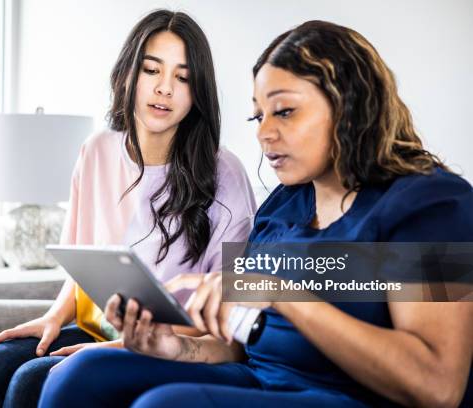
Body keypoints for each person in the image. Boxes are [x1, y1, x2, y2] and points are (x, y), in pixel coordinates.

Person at [38, 20, 473, 408]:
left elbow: (437, 387)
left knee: (167, 404)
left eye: (284, 111)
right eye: (258, 115)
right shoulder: (284, 204)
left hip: (348, 395)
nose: (264, 132)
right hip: (260, 376)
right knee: (80, 375)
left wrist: (282, 292)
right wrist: (171, 347)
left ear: (351, 104)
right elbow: (239, 344)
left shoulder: (434, 203)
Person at [0, 10, 256, 408]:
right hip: (96, 330)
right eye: (152, 70)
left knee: (31, 382)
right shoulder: (97, 150)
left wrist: (121, 348)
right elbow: (83, 265)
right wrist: (54, 317)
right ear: (127, 75)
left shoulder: (224, 172)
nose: (165, 88)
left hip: (168, 347)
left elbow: (230, 317)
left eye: (182, 78)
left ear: (197, 92)